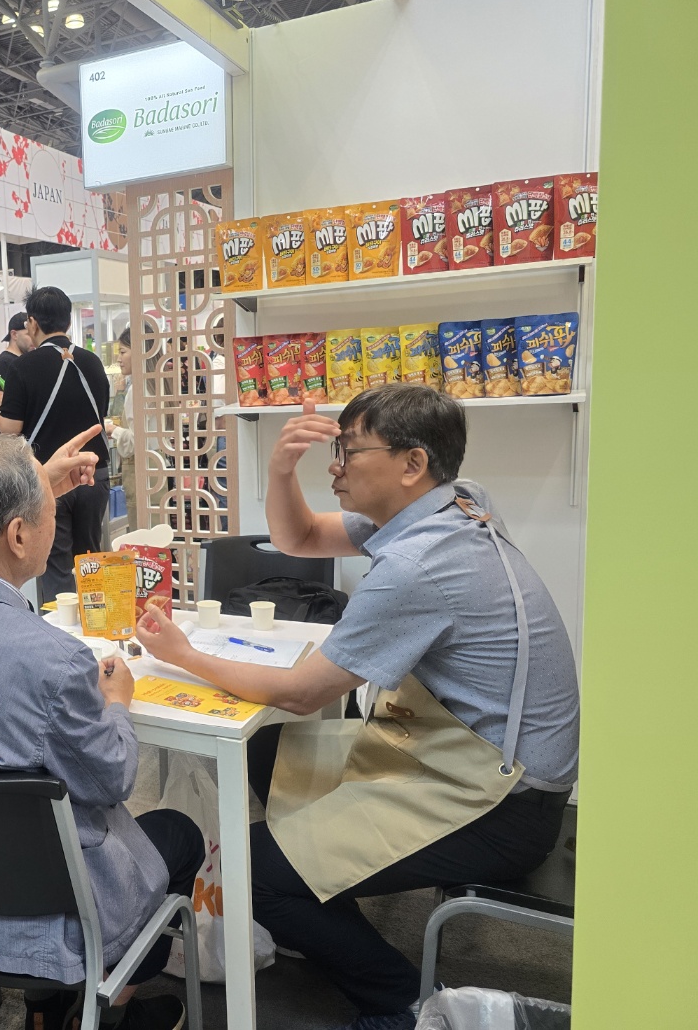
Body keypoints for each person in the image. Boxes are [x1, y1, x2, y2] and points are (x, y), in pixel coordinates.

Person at [133, 384, 580, 1030]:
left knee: (250, 866)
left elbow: (301, 692)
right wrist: (281, 469)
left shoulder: (419, 565)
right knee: (270, 747)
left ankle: (401, 1001)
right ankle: (317, 904)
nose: (335, 467)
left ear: (412, 463)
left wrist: (183, 655)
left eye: (349, 452)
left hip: (501, 798)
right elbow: (299, 535)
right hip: (465, 753)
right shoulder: (456, 502)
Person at [0, 432, 201, 1030]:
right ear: (19, 535)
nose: (57, 518)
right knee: (178, 836)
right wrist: (117, 704)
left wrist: (34, 481)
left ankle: (44, 1011)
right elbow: (112, 779)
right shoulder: (53, 660)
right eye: (50, 512)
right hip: (46, 917)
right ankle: (108, 1014)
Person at [0, 286, 111, 602]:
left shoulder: (22, 367)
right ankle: (97, 623)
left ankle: (59, 629)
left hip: (48, 476)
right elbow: (100, 412)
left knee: (54, 563)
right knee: (90, 558)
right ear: (68, 321)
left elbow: (10, 429)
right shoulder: (92, 362)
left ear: (32, 323)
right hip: (93, 473)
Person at [106, 327, 137, 522]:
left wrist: (113, 430)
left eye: (123, 352)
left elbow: (135, 440)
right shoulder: (153, 384)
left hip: (139, 470)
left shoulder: (137, 390)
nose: (118, 359)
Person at [0, 311, 32, 419]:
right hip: (9, 428)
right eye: (28, 334)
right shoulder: (3, 363)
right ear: (14, 334)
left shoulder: (25, 361)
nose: (33, 338)